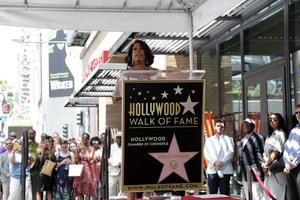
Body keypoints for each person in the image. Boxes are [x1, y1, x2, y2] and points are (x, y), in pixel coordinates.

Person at [203, 119, 234, 195]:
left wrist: (221, 162)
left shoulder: (229, 139)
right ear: (214, 127)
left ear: (224, 128)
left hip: (225, 170)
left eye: (222, 126)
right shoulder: (209, 140)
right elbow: (206, 153)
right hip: (212, 170)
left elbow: (231, 152)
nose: (220, 128)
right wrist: (215, 162)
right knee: (212, 194)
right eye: (218, 126)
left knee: (225, 194)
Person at [237, 118, 265, 200]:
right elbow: (240, 158)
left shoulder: (258, 138)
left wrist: (259, 171)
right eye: (244, 124)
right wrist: (238, 173)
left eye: (248, 124)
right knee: (248, 196)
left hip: (255, 172)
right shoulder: (242, 140)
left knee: (257, 196)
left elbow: (260, 155)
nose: (245, 126)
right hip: (244, 173)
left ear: (253, 126)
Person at [261, 113, 287, 200]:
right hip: (268, 170)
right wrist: (265, 164)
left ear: (280, 121)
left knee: (276, 195)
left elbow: (276, 152)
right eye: (270, 120)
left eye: (275, 119)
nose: (272, 121)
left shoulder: (281, 134)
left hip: (277, 170)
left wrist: (267, 164)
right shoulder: (269, 136)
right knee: (268, 195)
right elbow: (265, 153)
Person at [283, 105, 300, 200]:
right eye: (296, 113)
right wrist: (286, 163)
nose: (298, 115)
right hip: (290, 168)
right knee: (292, 197)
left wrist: (291, 164)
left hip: (297, 166)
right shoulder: (294, 130)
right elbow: (286, 148)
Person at [73, 133, 96, 200]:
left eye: (86, 139)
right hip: (80, 170)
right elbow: (76, 161)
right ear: (82, 139)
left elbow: (91, 158)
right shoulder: (78, 148)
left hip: (88, 170)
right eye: (83, 138)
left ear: (88, 139)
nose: (85, 140)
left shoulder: (92, 148)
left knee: (88, 190)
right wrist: (77, 152)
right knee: (80, 191)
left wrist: (84, 155)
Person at [35, 135, 57, 200]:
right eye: (45, 141)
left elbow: (53, 161)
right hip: (40, 174)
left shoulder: (52, 150)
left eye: (48, 142)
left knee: (49, 190)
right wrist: (43, 150)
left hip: (49, 174)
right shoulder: (39, 150)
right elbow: (40, 161)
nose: (47, 143)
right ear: (42, 142)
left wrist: (50, 150)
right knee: (39, 191)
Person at [108, 132, 122, 197]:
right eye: (118, 138)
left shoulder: (125, 146)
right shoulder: (111, 147)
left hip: (122, 173)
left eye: (121, 138)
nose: (119, 139)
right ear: (116, 139)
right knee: (111, 191)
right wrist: (116, 164)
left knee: (122, 192)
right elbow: (108, 159)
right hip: (113, 172)